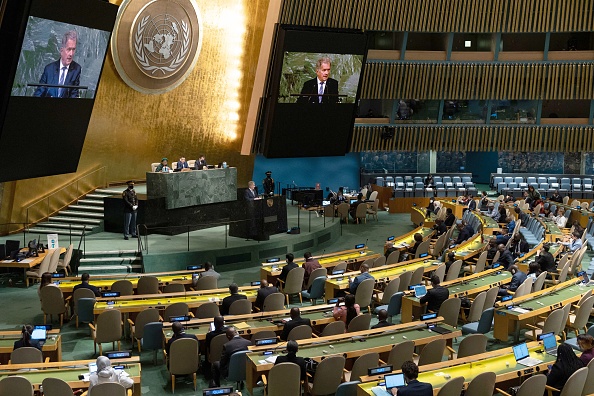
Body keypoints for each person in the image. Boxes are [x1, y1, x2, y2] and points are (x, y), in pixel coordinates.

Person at [33, 30, 81, 98]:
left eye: (73, 49)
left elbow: (74, 95)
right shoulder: (49, 69)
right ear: (61, 50)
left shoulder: (76, 69)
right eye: (69, 49)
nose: (71, 54)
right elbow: (38, 94)